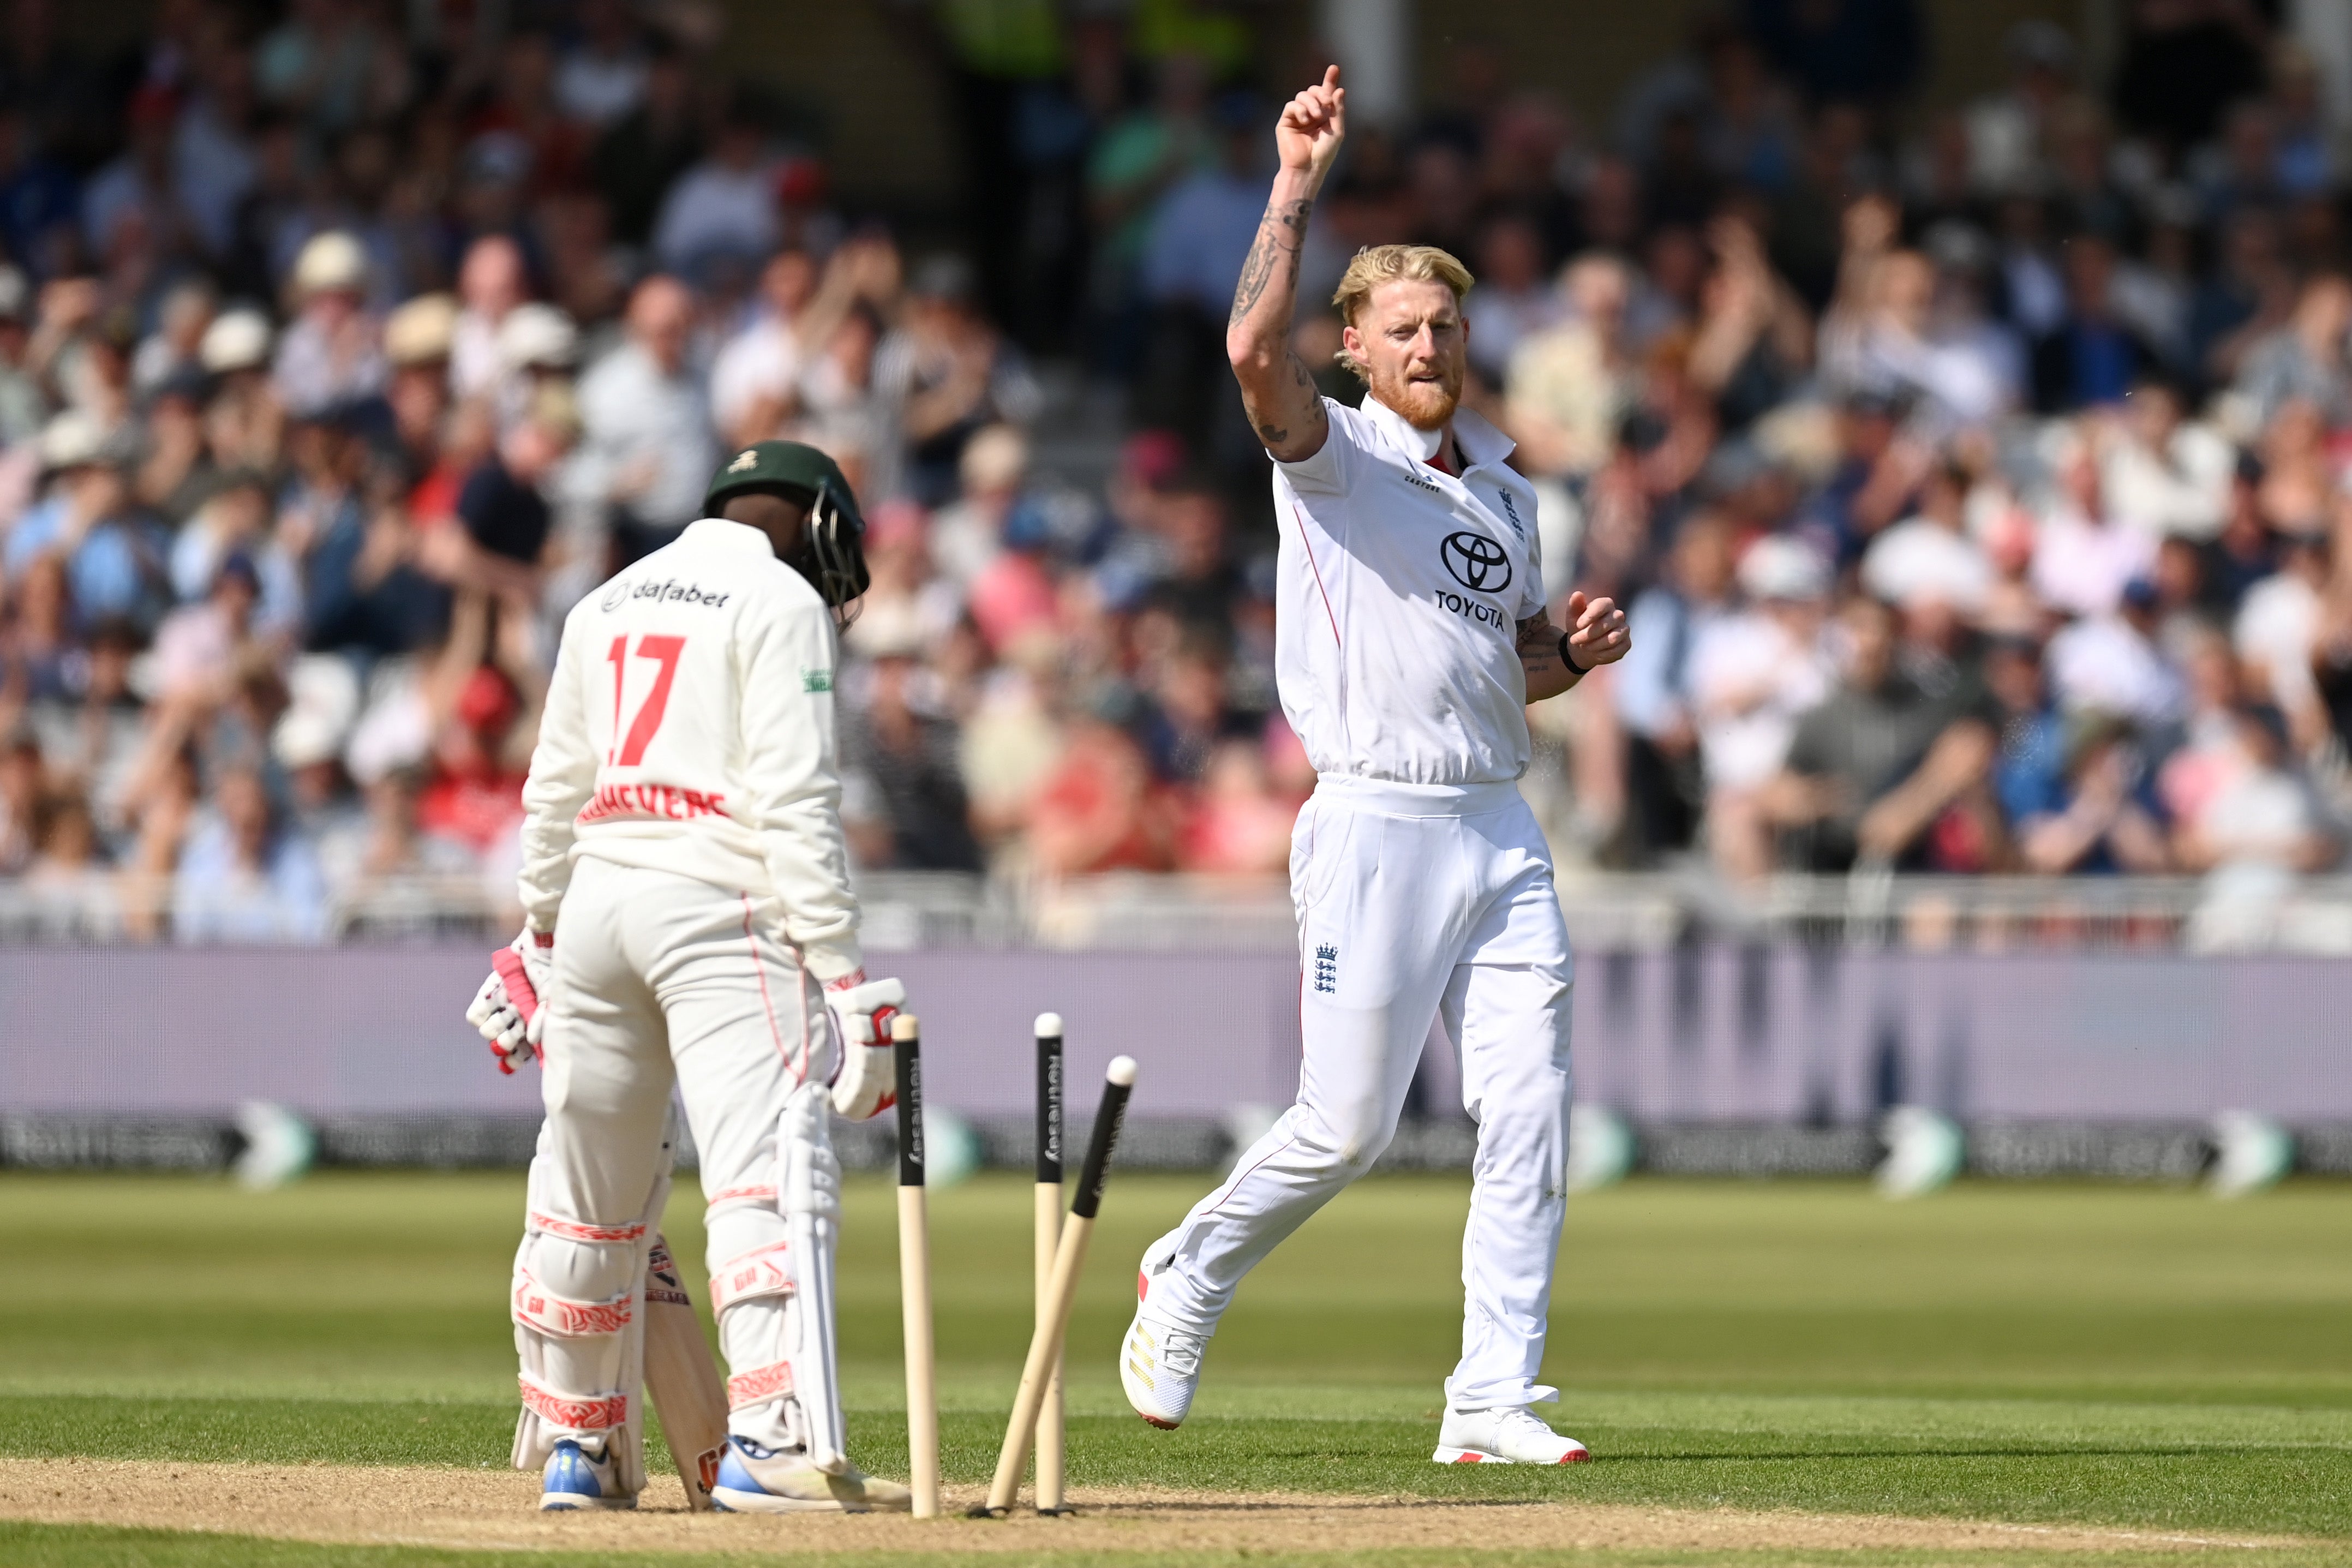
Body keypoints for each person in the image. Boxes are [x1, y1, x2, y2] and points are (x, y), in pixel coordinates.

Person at [1118, 68, 1631, 1468]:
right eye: (1401, 326)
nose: (1428, 342)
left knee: (1527, 1112)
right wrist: (1293, 182)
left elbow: (1498, 662)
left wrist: (1570, 653)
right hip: (1374, 824)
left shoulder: (1510, 491)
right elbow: (1242, 350)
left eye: (1445, 324)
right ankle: (1190, 1268)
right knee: (1346, 1128)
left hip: (1495, 823)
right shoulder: (1332, 454)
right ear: (1351, 345)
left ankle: (1488, 1398)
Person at [463, 440, 911, 1514]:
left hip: (604, 908)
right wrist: (845, 979)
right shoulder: (779, 599)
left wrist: (540, 937)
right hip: (722, 911)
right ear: (812, 522)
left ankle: (582, 1449)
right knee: (767, 1174)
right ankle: (770, 1441)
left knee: (588, 1196)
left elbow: (553, 792)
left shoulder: (603, 602)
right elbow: (797, 804)